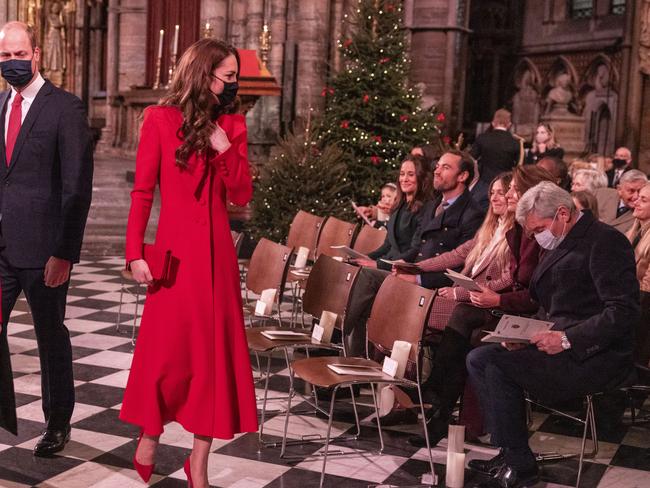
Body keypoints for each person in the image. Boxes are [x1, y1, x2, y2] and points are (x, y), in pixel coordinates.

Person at [121, 39, 257, 487]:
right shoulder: (159, 119)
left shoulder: (232, 124)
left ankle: (197, 463)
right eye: (229, 76)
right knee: (165, 355)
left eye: (235, 77)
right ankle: (150, 432)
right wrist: (134, 251)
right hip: (175, 257)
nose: (234, 85)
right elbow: (143, 191)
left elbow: (241, 195)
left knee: (212, 361)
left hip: (217, 258)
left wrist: (224, 149)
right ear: (204, 74)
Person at [466, 182, 639, 488]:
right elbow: (553, 303)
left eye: (539, 228)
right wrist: (521, 334)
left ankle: (521, 464)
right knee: (480, 357)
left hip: (595, 354)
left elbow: (621, 313)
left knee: (499, 367)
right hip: (555, 342)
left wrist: (565, 339)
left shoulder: (605, 242)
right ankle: (509, 450)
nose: (535, 237)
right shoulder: (559, 240)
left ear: (563, 213)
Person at [407, 165, 555, 448]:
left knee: (456, 319)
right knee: (440, 312)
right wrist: (414, 269)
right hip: (492, 302)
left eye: (510, 190)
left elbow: (520, 283)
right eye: (497, 192)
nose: (504, 196)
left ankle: (435, 395)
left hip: (518, 311)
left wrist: (478, 295)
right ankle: (435, 403)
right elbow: (460, 254)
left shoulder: (530, 232)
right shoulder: (506, 230)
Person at [0, 22, 93, 451]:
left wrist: (64, 252)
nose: (12, 63)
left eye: (20, 55)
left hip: (44, 251)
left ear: (37, 54)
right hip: (1, 248)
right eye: (5, 57)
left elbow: (77, 188)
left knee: (49, 337)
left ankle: (58, 422)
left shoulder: (65, 109)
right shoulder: (0, 105)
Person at [381, 173, 513, 426]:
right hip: (464, 301)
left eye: (502, 192)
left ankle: (421, 393)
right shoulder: (490, 228)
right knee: (405, 305)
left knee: (413, 310)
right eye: (493, 192)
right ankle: (407, 393)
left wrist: (459, 293)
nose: (496, 197)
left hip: (481, 305)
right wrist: (417, 268)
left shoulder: (514, 232)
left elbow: (507, 280)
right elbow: (455, 255)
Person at [344, 156, 433, 355]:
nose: (405, 178)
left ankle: (338, 330)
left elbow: (414, 251)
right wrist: (363, 257)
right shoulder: (400, 204)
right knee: (354, 272)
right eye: (402, 174)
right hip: (386, 264)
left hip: (401, 272)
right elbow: (387, 245)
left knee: (365, 277)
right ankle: (353, 358)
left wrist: (378, 265)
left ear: (421, 177)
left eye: (411, 174)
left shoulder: (426, 208)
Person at [400, 149, 485, 289]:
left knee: (371, 279)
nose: (436, 171)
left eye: (445, 167)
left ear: (462, 176)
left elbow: (462, 266)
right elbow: (418, 247)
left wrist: (418, 279)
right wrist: (400, 264)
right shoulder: (431, 205)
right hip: (413, 273)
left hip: (434, 288)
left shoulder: (473, 214)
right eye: (438, 166)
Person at [626, 182, 650, 366]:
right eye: (637, 197)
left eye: (644, 199)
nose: (636, 201)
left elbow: (646, 287)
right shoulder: (635, 231)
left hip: (643, 305)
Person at [470, 109, 522, 185]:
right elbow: (519, 166)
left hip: (484, 183)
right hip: (505, 184)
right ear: (509, 124)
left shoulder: (483, 138)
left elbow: (471, 158)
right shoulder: (515, 142)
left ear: (493, 123)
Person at [598, 169, 648, 234]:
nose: (636, 196)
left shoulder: (644, 213)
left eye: (639, 191)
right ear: (619, 189)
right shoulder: (600, 195)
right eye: (631, 191)